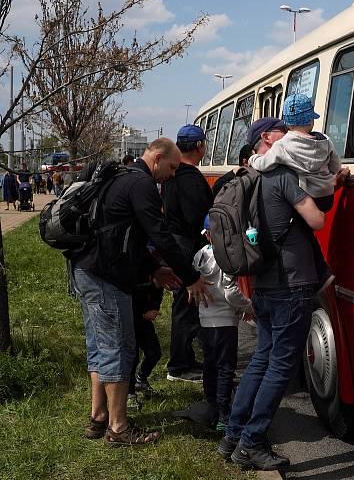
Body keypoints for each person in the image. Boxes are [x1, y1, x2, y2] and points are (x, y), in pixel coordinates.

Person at [71, 138, 211, 445]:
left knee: (99, 347)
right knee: (118, 348)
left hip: (88, 269)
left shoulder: (122, 177)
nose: (173, 175)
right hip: (106, 277)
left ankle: (98, 418)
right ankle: (118, 428)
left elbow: (123, 236)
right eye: (172, 167)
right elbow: (159, 235)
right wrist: (190, 277)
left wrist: (152, 270)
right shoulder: (141, 184)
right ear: (157, 158)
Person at [218, 118, 326, 471]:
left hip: (263, 284)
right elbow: (316, 221)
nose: (296, 138)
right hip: (290, 285)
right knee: (281, 366)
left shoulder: (250, 179)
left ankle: (233, 435)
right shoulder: (281, 177)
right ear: (268, 139)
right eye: (285, 133)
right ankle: (251, 442)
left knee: (262, 360)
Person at [248, 95, 346, 292]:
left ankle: (321, 272)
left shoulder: (283, 146)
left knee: (298, 230)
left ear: (287, 122)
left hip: (307, 196)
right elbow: (336, 166)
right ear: (311, 120)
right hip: (327, 196)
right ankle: (322, 271)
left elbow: (264, 164)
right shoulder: (325, 141)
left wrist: (253, 160)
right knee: (305, 231)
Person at [163, 125, 214, 383]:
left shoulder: (173, 174)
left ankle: (184, 359)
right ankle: (179, 365)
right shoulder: (191, 178)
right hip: (187, 249)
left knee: (185, 305)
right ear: (199, 147)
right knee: (186, 306)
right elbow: (198, 217)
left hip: (177, 246)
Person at [193, 215, 252, 431]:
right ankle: (223, 412)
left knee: (210, 364)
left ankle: (210, 405)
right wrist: (247, 307)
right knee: (226, 367)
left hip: (205, 318)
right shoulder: (227, 257)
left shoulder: (200, 256)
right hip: (225, 321)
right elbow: (231, 292)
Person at [126, 278, 163, 410]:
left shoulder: (156, 267)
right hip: (129, 318)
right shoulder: (133, 265)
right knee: (132, 357)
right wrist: (142, 312)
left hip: (144, 320)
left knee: (154, 352)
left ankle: (140, 379)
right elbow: (129, 288)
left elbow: (158, 290)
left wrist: (153, 307)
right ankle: (129, 394)